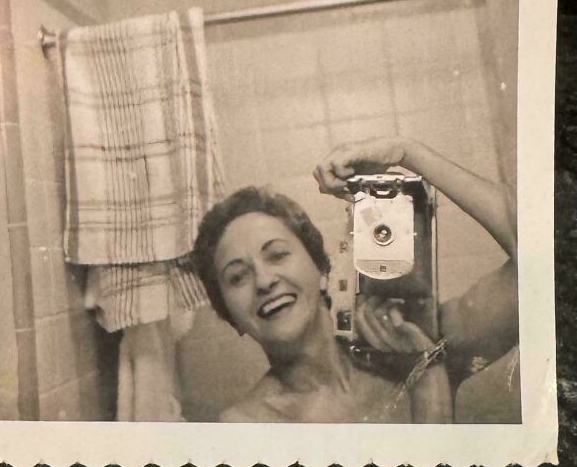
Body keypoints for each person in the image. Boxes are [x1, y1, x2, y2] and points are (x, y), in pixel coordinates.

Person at [193, 136, 518, 423]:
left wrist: (407, 151)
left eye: (277, 254)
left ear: (322, 269)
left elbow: (544, 256)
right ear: (228, 314)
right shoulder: (249, 425)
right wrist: (427, 374)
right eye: (237, 277)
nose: (264, 281)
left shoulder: (423, 336)